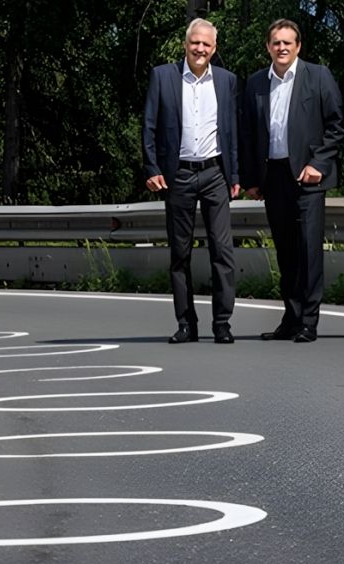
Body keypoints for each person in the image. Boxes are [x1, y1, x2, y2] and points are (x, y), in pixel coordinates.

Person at [240, 18, 343, 343]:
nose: (281, 48)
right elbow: (249, 133)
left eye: (288, 43)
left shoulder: (318, 76)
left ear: (298, 46)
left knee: (309, 249)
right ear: (268, 47)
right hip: (274, 176)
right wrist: (251, 178)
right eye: (276, 43)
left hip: (308, 176)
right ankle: (291, 317)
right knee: (285, 251)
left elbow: (336, 125)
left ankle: (309, 322)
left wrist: (318, 164)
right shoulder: (257, 82)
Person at [142, 18, 240, 344]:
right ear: (186, 44)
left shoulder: (227, 81)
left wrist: (235, 174)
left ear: (214, 49)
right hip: (177, 175)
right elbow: (150, 127)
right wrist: (152, 168)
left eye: (206, 44)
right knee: (180, 254)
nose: (200, 49)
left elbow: (232, 132)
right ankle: (186, 324)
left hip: (215, 173)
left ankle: (222, 324)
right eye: (195, 42)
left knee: (222, 251)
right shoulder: (163, 76)